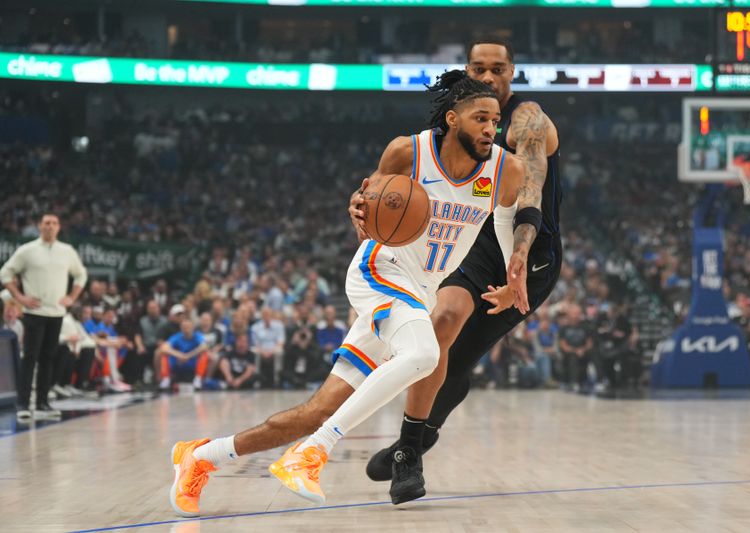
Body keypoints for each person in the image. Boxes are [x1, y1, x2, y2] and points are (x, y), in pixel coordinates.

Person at [167, 69, 524, 517]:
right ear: (452, 118)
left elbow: (506, 220)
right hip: (381, 270)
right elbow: (368, 200)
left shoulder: (504, 168)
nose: (491, 128)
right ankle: (311, 454)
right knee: (427, 353)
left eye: (495, 120)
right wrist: (357, 202)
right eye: (480, 118)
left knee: (316, 410)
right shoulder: (407, 150)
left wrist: (513, 278)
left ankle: (199, 457)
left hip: (420, 290)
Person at [361, 37, 562, 500]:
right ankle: (409, 455)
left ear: (513, 73)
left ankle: (419, 436)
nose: (489, 76)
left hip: (531, 254)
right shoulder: (453, 131)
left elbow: (530, 191)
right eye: (479, 68)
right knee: (440, 329)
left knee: (456, 362)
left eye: (498, 69)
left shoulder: (526, 119)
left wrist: (520, 257)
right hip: (475, 243)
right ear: (467, 72)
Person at [0, 213, 88, 420]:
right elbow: (5, 273)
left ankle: (42, 403)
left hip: (56, 312)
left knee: (48, 358)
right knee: (30, 358)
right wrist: (20, 297)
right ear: (40, 226)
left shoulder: (67, 251)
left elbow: (81, 274)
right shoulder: (27, 250)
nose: (50, 226)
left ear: (59, 227)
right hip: (34, 312)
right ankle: (23, 404)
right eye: (47, 223)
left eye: (54, 223)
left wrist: (72, 297)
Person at [159, 318, 209, 391]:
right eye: (184, 327)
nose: (186, 329)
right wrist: (179, 355)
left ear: (192, 327)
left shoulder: (198, 336)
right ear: (181, 328)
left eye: (188, 327)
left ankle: (198, 379)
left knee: (204, 354)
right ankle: (165, 379)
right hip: (178, 362)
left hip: (192, 362)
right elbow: (164, 348)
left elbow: (204, 346)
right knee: (163, 354)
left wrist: (188, 356)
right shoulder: (176, 337)